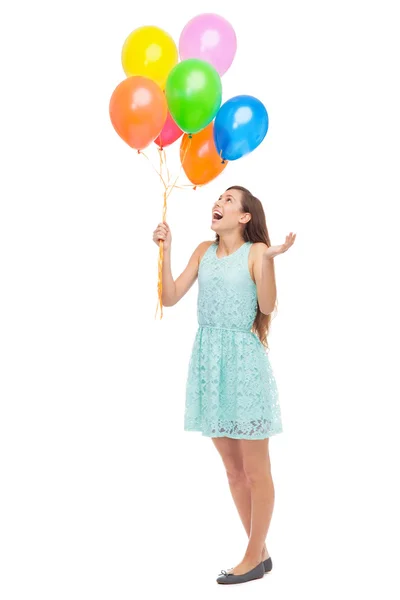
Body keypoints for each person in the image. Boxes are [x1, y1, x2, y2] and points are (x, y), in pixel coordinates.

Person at [152, 185, 296, 585]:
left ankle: (252, 556)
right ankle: (259, 550)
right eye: (218, 198)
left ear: (245, 217)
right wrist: (165, 249)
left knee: (255, 468)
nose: (219, 203)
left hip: (244, 368)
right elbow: (169, 296)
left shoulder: (255, 253)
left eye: (229, 200)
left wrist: (268, 261)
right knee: (234, 471)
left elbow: (266, 307)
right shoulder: (203, 251)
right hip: (209, 366)